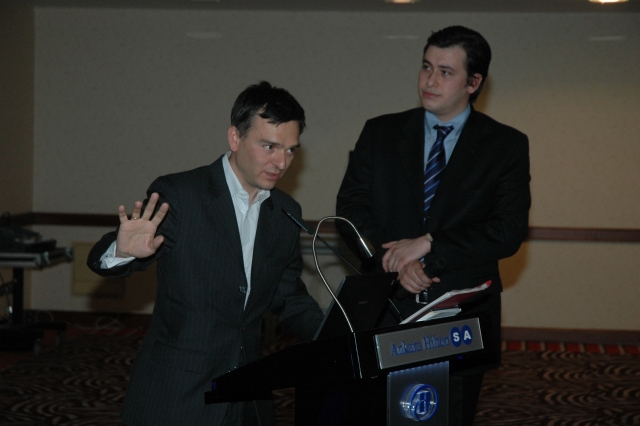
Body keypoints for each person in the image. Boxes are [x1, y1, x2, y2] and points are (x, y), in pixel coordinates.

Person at [87, 81, 323, 426]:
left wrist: (341, 338)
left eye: (290, 150)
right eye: (269, 146)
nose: (281, 162)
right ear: (235, 138)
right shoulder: (181, 195)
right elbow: (102, 258)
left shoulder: (286, 212)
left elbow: (288, 297)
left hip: (248, 395)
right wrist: (121, 252)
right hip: (179, 393)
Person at [336, 26, 531, 425]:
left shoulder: (505, 145)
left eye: (445, 71)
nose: (429, 80)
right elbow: (350, 210)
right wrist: (396, 261)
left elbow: (507, 230)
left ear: (473, 83)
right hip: (386, 309)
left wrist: (429, 243)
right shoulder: (380, 132)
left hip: (460, 320)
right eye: (426, 67)